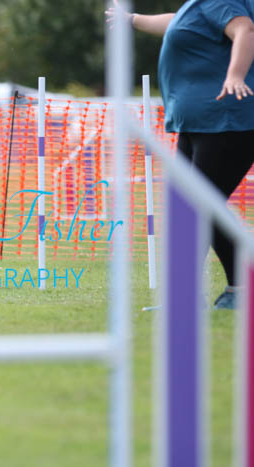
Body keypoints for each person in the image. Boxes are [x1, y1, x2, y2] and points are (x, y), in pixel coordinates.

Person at [107, 0, 254, 308]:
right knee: (199, 209)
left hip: (224, 123)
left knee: (197, 208)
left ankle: (209, 295)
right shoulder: (201, 5)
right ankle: (228, 292)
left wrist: (235, 74)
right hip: (201, 125)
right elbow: (178, 23)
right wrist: (132, 19)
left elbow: (245, 30)